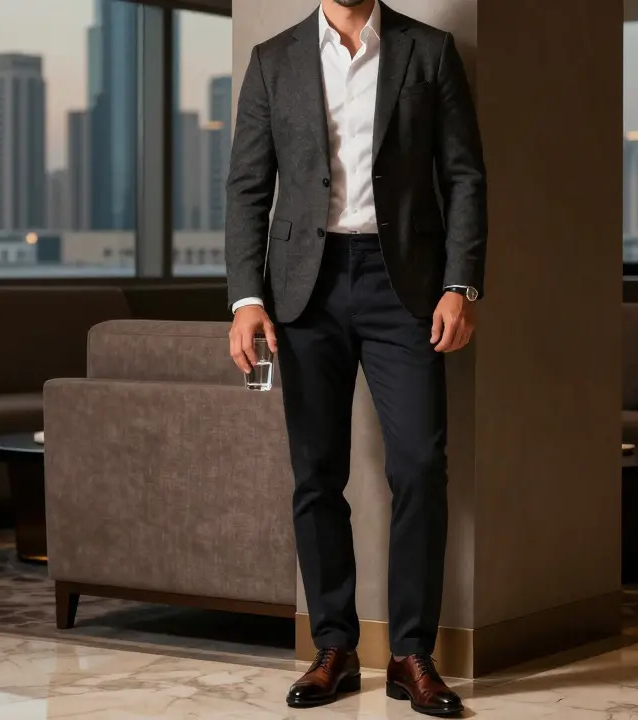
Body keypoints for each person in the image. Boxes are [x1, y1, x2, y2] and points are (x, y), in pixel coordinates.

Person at [225, 0, 485, 715]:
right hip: (302, 291)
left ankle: (411, 654)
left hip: (405, 285)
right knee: (315, 473)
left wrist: (460, 284)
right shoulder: (273, 60)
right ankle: (334, 646)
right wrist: (246, 299)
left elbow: (464, 176)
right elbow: (248, 186)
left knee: (420, 466)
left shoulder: (429, 51)